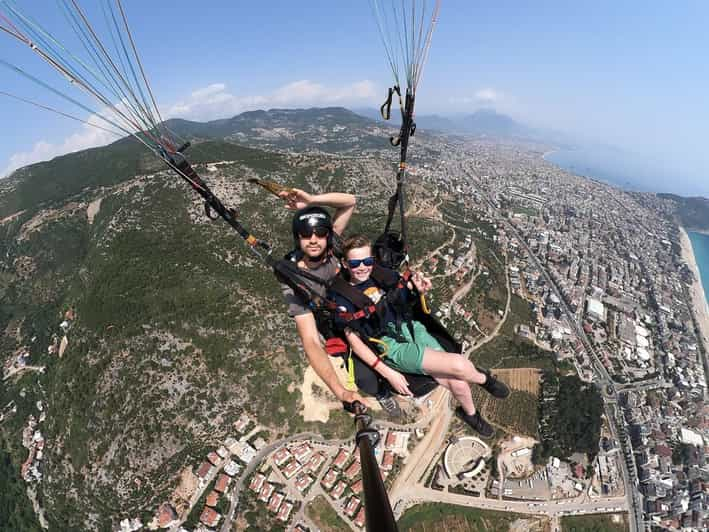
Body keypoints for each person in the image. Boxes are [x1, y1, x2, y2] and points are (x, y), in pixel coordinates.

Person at [329, 234, 510, 438]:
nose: (362, 267)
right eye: (355, 263)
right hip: (391, 346)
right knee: (459, 365)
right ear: (345, 264)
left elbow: (403, 296)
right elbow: (354, 340)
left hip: (411, 327)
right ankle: (484, 379)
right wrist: (388, 373)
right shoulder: (343, 297)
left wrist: (418, 289)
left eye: (367, 261)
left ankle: (470, 414)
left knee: (458, 382)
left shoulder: (381, 276)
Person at [277, 188, 435, 417]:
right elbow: (310, 340)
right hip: (339, 322)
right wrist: (341, 392)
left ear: (327, 235)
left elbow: (350, 201)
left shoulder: (329, 249)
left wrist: (312, 200)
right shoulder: (294, 279)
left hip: (359, 301)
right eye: (306, 234)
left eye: (320, 232)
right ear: (297, 237)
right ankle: (382, 394)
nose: (314, 239)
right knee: (365, 378)